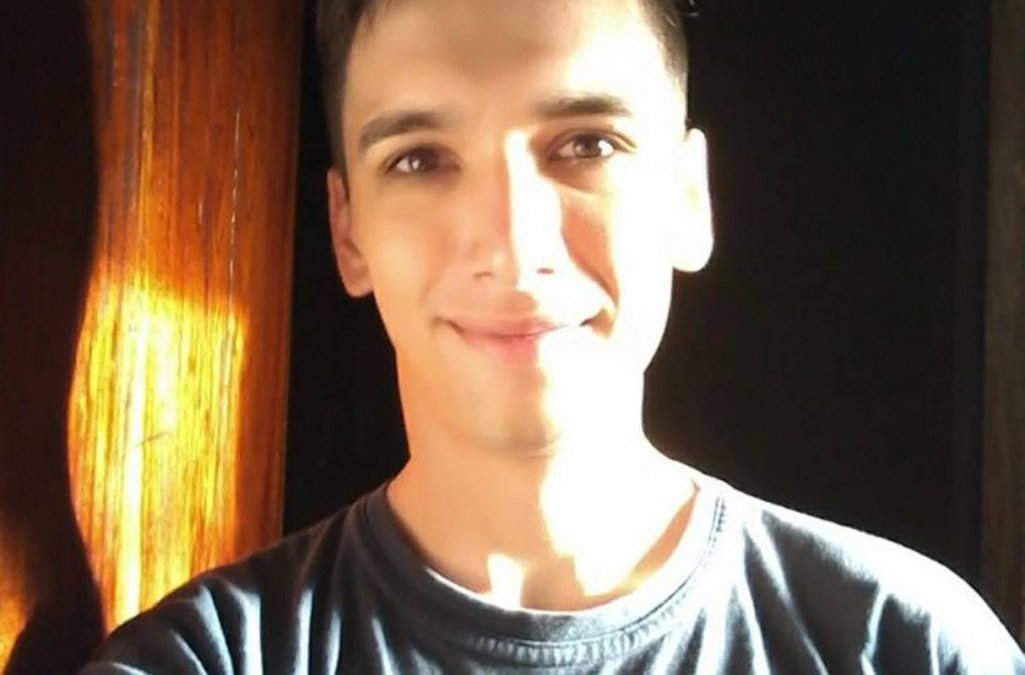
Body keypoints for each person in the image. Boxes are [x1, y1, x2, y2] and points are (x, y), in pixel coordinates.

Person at [81, 0, 1024, 672]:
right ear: (348, 231)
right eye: (419, 159)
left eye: (586, 143)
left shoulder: (905, 646)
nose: (513, 246)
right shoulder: (197, 661)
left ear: (688, 198)